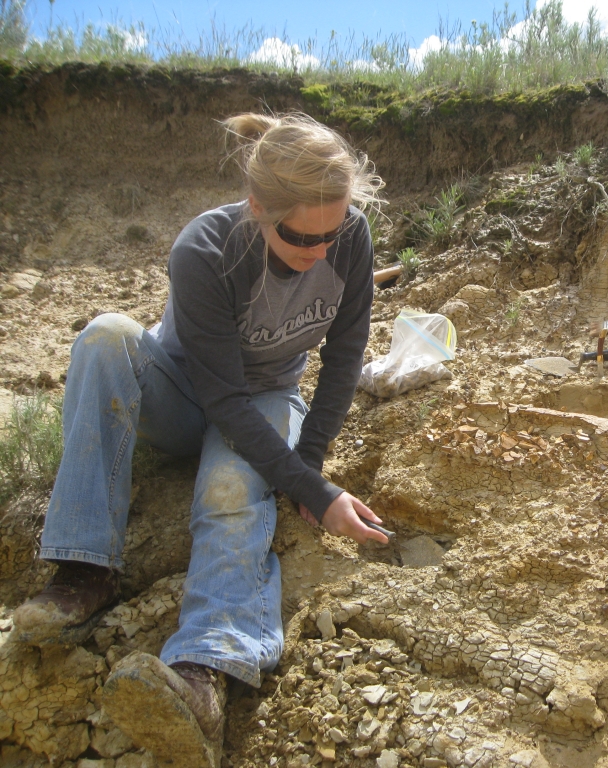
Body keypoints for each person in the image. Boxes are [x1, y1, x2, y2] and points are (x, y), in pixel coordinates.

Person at [11, 112, 389, 765]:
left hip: (269, 397)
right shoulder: (205, 249)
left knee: (230, 481)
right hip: (184, 393)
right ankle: (82, 570)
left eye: (335, 231)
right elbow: (220, 401)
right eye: (303, 236)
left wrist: (308, 461)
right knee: (104, 335)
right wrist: (312, 490)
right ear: (257, 208)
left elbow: (345, 357)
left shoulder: (349, 236)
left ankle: (203, 673)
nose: (322, 250)